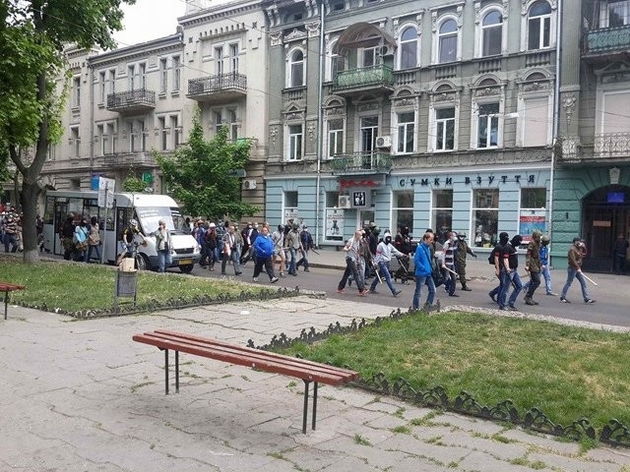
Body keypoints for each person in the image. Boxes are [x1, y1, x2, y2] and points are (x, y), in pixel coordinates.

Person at [560, 238, 596, 304]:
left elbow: (584, 254)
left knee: (583, 282)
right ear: (575, 242)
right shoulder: (572, 250)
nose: (580, 243)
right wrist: (578, 268)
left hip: (577, 269)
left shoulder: (579, 249)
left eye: (580, 242)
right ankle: (562, 297)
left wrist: (584, 247)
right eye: (578, 241)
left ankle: (586, 299)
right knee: (569, 283)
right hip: (572, 269)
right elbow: (573, 260)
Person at [369, 231, 404, 297]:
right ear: (385, 238)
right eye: (387, 238)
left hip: (387, 263)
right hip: (382, 262)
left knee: (379, 276)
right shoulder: (380, 245)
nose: (389, 240)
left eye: (389, 238)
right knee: (388, 277)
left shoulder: (389, 245)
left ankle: (372, 287)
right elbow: (378, 255)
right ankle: (394, 291)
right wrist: (375, 263)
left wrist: (402, 255)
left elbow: (395, 251)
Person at [337, 229, 369, 296]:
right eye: (360, 235)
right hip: (349, 259)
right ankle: (361, 290)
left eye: (361, 235)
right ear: (356, 235)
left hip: (354, 259)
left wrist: (358, 258)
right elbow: (344, 248)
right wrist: (347, 249)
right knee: (355, 273)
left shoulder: (358, 241)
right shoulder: (351, 241)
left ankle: (340, 288)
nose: (361, 236)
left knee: (346, 274)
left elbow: (357, 251)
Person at [412, 231, 437, 311]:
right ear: (425, 239)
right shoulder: (420, 248)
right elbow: (416, 260)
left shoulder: (428, 248)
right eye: (430, 239)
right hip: (421, 274)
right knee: (418, 292)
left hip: (428, 273)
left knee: (433, 290)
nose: (432, 241)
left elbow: (428, 260)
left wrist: (429, 269)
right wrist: (423, 268)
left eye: (432, 239)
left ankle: (427, 306)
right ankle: (415, 309)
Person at [498, 235, 523, 311]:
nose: (520, 243)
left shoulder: (513, 247)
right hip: (509, 271)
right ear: (516, 240)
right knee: (506, 289)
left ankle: (511, 303)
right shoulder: (507, 247)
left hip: (514, 270)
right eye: (519, 241)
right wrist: (507, 269)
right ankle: (502, 305)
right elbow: (505, 259)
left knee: (519, 286)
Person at [489, 232, 510, 304]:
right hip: (500, 266)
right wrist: (498, 269)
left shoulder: (506, 245)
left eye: (507, 237)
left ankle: (493, 294)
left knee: (503, 283)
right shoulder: (498, 246)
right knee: (503, 284)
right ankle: (498, 298)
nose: (507, 239)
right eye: (505, 237)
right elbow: (496, 258)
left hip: (504, 266)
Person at [523, 230, 542, 306]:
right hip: (532, 263)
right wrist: (527, 265)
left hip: (536, 263)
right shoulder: (532, 243)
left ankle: (529, 297)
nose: (540, 238)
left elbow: (538, 254)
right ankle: (528, 296)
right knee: (537, 281)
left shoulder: (538, 243)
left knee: (533, 281)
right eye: (539, 236)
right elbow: (528, 254)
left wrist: (540, 264)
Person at [441, 231, 458, 297]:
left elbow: (454, 253)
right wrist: (443, 263)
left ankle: (452, 292)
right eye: (454, 236)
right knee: (446, 278)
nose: (455, 237)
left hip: (452, 263)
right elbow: (443, 254)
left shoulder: (454, 243)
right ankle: (435, 284)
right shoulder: (447, 244)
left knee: (454, 278)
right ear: (451, 237)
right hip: (447, 264)